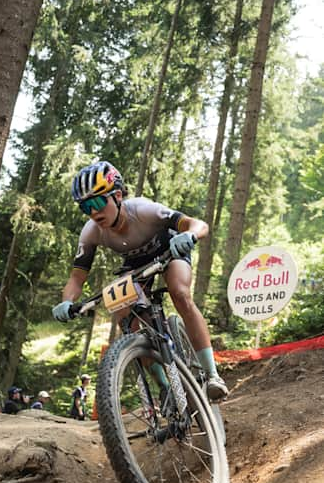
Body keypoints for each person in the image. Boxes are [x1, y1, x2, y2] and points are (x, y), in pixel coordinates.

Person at [52, 161, 228, 401]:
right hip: (136, 264)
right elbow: (76, 277)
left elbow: (198, 224)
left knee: (179, 292)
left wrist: (189, 235)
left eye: (96, 203)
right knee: (127, 314)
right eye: (85, 208)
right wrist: (66, 302)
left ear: (116, 196)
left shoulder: (144, 210)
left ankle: (212, 374)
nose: (93, 213)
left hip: (170, 250)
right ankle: (165, 387)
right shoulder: (90, 232)